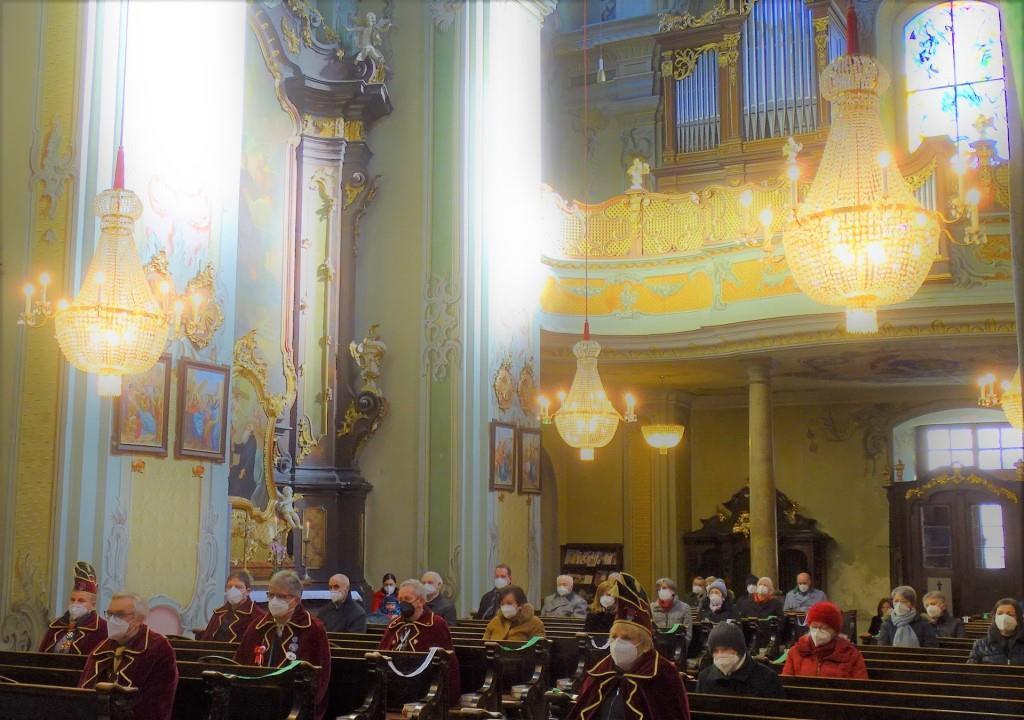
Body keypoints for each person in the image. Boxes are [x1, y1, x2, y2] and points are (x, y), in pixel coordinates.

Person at [567, 574, 690, 719]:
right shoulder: (601, 672)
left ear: (644, 644)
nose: (618, 643)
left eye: (626, 638)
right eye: (614, 637)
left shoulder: (663, 674)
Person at [235, 570, 332, 720]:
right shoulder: (257, 626)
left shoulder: (313, 629)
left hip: (293, 705)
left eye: (281, 596)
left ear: (296, 599)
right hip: (255, 702)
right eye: (271, 595)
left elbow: (320, 678)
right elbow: (239, 665)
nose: (274, 601)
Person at [78, 592, 178, 720]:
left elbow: (155, 704)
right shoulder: (101, 648)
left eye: (119, 615)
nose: (112, 620)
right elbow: (83, 692)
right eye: (110, 614)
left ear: (138, 619)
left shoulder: (158, 649)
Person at [378, 579, 461, 702]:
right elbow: (381, 655)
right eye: (400, 600)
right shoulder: (394, 624)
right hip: (392, 688)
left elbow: (448, 664)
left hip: (423, 689)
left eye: (407, 599)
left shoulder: (436, 624)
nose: (403, 603)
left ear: (420, 601)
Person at [696, 621, 784, 698]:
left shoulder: (767, 678)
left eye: (725, 649)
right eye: (715, 651)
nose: (720, 655)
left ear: (739, 649)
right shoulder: (705, 678)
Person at [781, 601, 867, 679]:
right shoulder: (796, 652)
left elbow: (860, 686)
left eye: (823, 628)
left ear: (834, 631)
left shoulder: (851, 655)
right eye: (814, 627)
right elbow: (786, 683)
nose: (817, 632)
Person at [40, 561, 107, 655]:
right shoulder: (56, 625)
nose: (75, 604)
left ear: (93, 604)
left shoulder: (102, 628)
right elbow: (41, 656)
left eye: (81, 600)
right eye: (72, 599)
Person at [197, 569, 266, 642]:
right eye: (229, 587)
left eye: (238, 587)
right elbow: (207, 640)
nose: (233, 590)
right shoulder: (218, 614)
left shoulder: (257, 615)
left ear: (248, 591)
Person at [968, 598, 1024, 665]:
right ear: (994, 617)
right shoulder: (981, 645)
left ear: (1018, 618)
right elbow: (970, 668)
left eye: (1010, 614)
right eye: (1000, 614)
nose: (1004, 618)